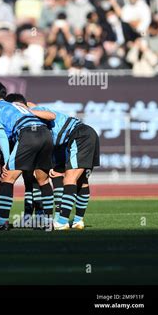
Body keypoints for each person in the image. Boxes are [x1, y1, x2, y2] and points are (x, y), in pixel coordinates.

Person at [0, 82, 54, 231]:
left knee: (7, 178)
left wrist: (7, 161)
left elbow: (1, 137)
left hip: (28, 135)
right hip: (45, 134)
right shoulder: (17, 105)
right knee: (43, 180)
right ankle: (48, 221)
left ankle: (3, 222)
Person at [27, 97, 100, 230]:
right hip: (87, 134)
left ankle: (62, 221)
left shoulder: (32, 112)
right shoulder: (36, 119)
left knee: (70, 179)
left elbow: (48, 114)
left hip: (79, 135)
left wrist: (26, 110)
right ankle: (78, 221)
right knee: (82, 180)